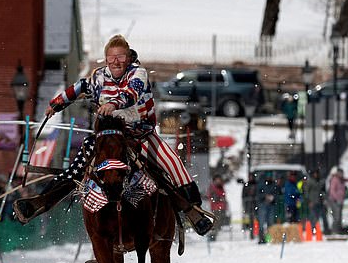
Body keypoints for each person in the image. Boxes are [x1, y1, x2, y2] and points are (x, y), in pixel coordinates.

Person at [13, 34, 206, 232]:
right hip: (109, 136)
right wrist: (57, 103)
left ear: (128, 58)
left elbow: (132, 93)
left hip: (140, 135)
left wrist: (113, 104)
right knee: (77, 168)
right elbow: (80, 87)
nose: (116, 62)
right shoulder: (99, 76)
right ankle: (40, 202)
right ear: (106, 60)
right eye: (111, 58)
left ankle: (194, 210)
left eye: (121, 57)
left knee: (172, 162)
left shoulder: (137, 74)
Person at [256, 173, 279, 243]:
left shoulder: (273, 185)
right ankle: (261, 239)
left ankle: (268, 238)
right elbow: (258, 194)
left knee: (270, 223)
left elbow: (276, 194)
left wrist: (272, 197)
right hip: (263, 205)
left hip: (271, 206)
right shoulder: (261, 184)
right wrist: (265, 196)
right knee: (261, 223)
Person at [327, 168, 348, 234]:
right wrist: (336, 199)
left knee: (339, 216)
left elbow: (347, 180)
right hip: (334, 201)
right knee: (336, 216)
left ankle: (338, 229)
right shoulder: (335, 179)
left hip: (340, 201)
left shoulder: (341, 179)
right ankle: (334, 230)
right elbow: (332, 191)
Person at [206, 175, 227, 240]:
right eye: (217, 180)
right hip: (215, 207)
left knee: (219, 221)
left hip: (221, 206)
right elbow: (210, 196)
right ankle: (212, 235)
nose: (219, 181)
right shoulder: (212, 188)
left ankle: (214, 234)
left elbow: (223, 195)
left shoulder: (221, 187)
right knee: (216, 222)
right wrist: (218, 198)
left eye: (219, 180)